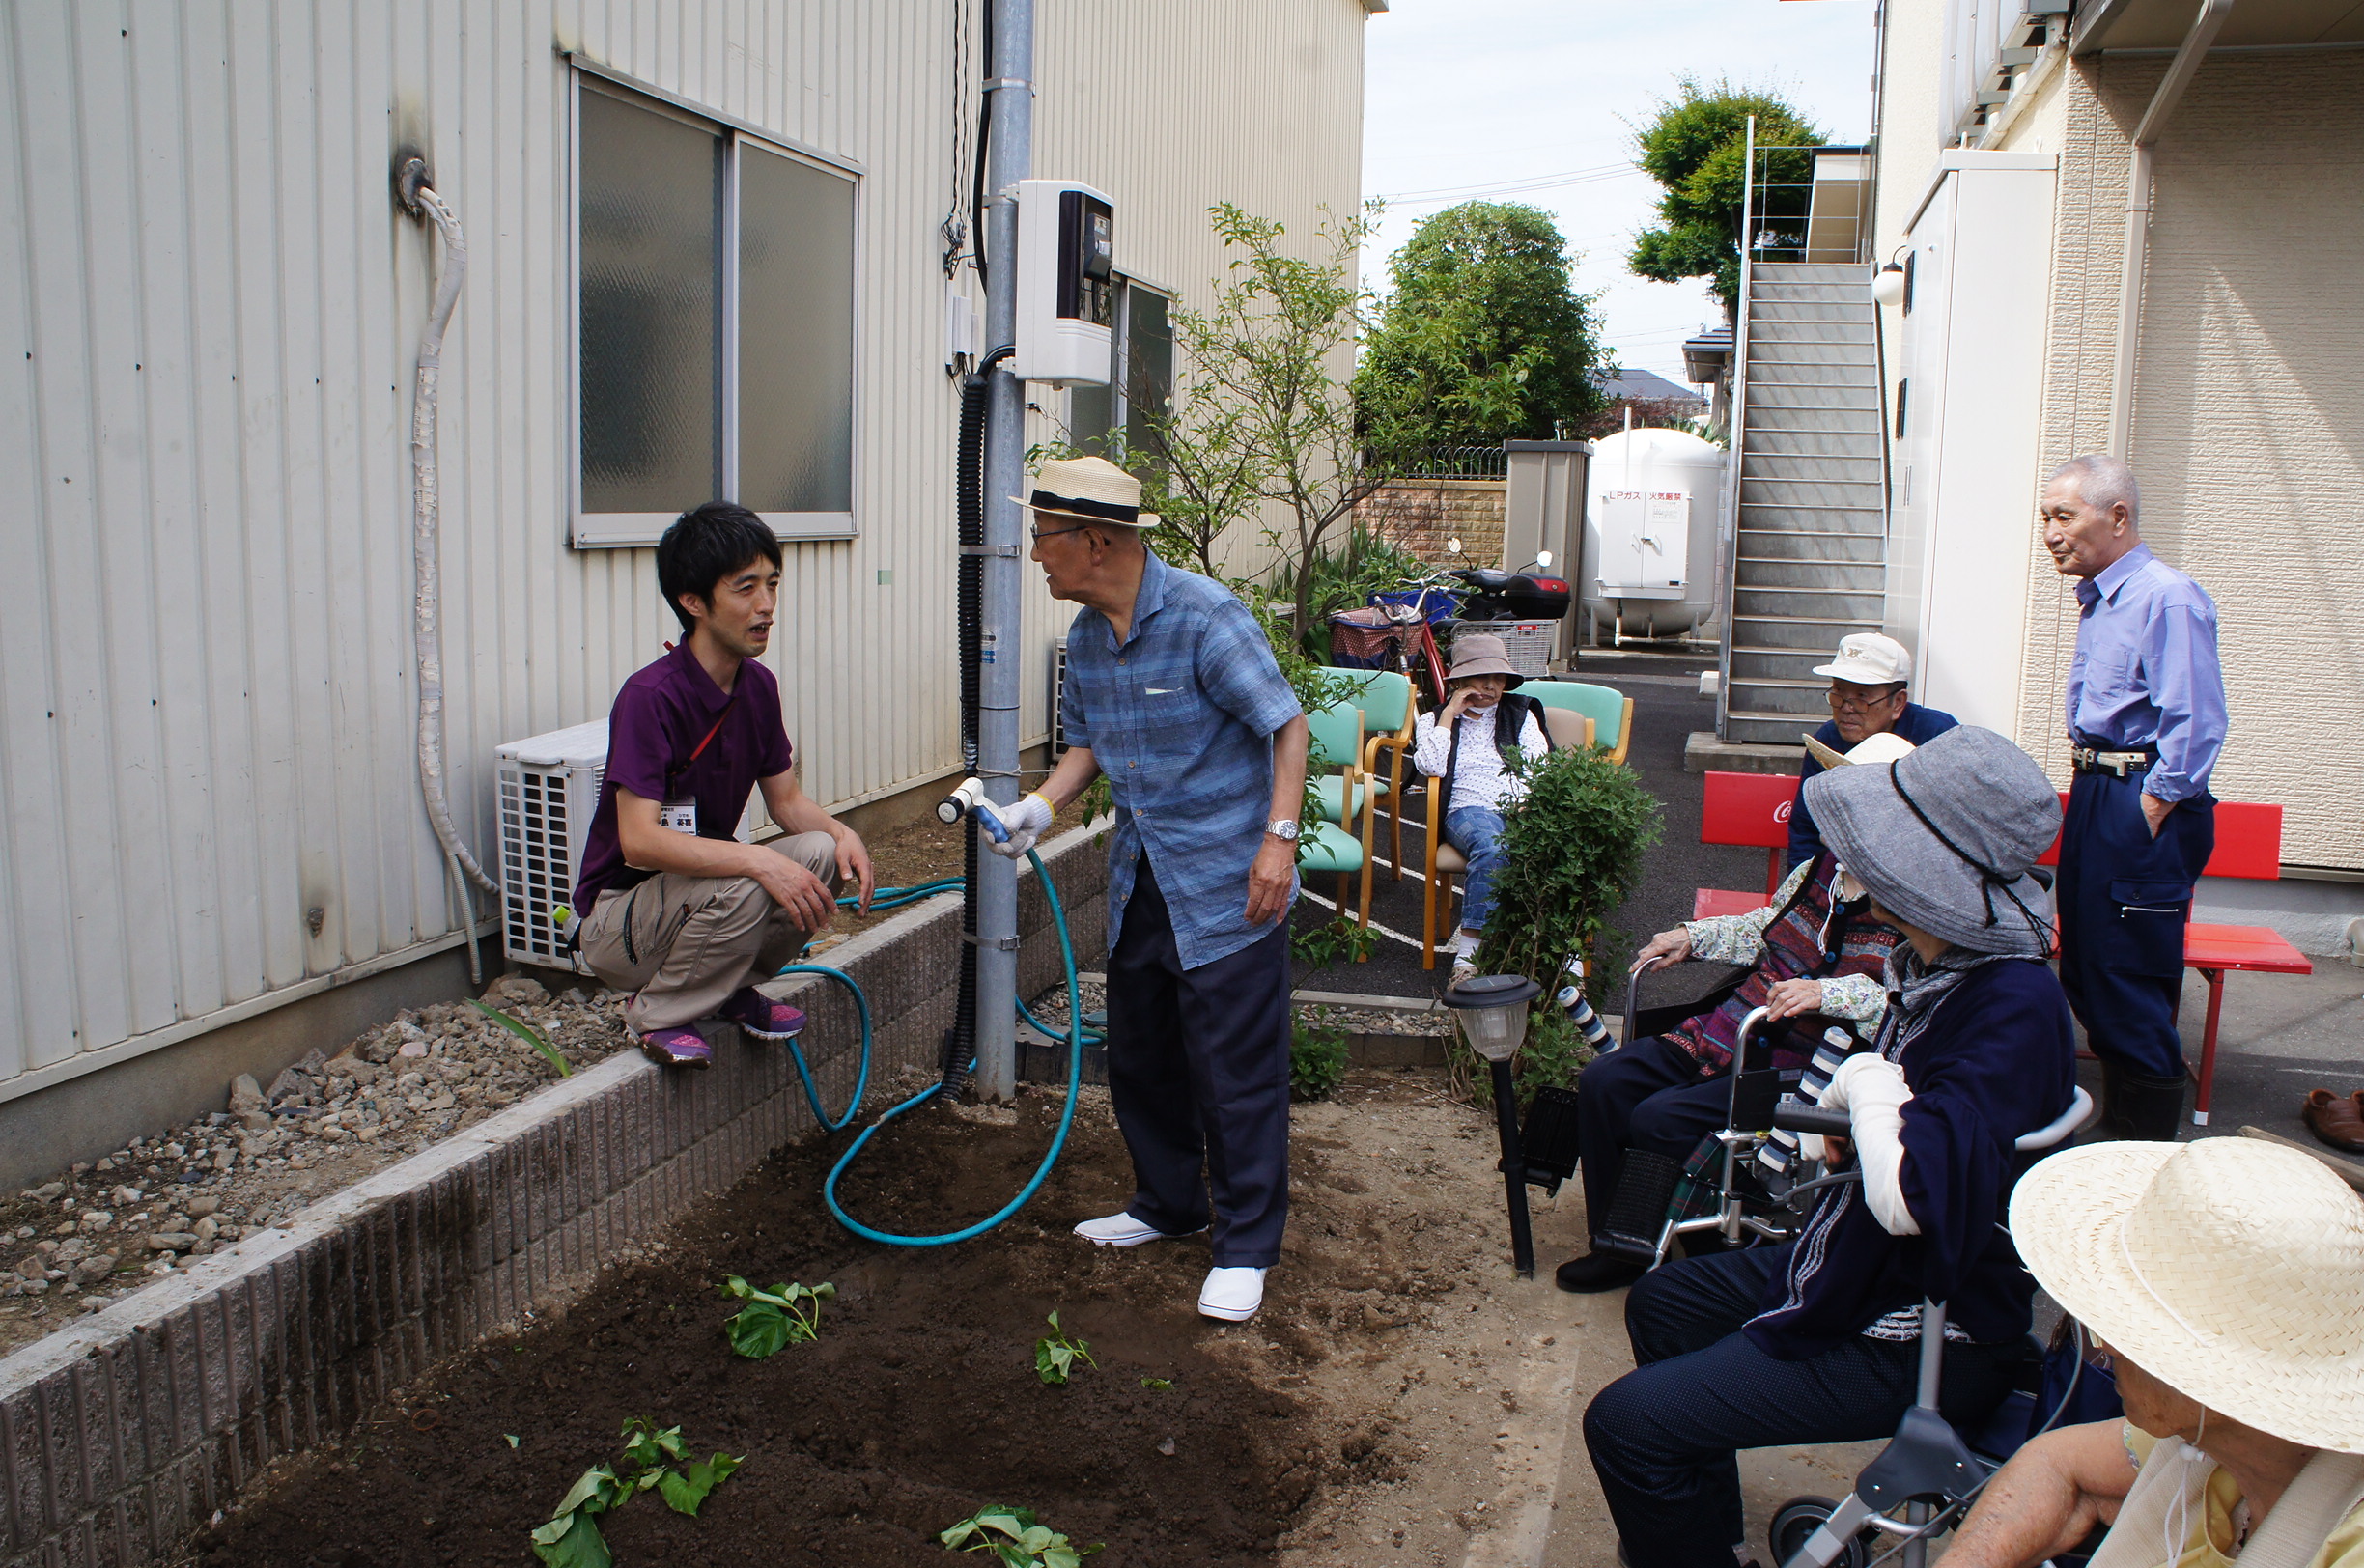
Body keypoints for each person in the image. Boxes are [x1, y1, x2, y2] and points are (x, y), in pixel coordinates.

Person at [1582, 726, 2077, 1568]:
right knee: (1662, 1303)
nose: (1857, 859)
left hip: (1917, 1326)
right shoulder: (1940, 969)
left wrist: (1867, 1092)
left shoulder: (2011, 1004)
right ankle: (1704, 1538)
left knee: (1624, 1425)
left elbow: (1916, 1192)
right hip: (1850, 1259)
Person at [986, 457, 1310, 1325]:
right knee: (1143, 1057)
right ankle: (1169, 1206)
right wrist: (1039, 807)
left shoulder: (1205, 618)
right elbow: (1085, 744)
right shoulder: (1090, 639)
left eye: (1045, 538)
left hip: (1232, 886)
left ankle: (1246, 1248)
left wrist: (1278, 842)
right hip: (1142, 883)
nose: (1038, 556)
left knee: (1234, 1074)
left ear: (1095, 540)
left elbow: (1286, 724)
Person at [1551, 731, 1913, 1295]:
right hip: (1730, 1031)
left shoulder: (1913, 898)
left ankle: (1693, 1250)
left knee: (1658, 1119)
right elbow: (1762, 929)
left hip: (1806, 1065)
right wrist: (1691, 938)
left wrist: (1826, 994)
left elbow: (1903, 1000)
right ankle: (1616, 1242)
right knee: (1605, 1080)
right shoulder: (1822, 868)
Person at [1942, 1135, 2363, 1568]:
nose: (2104, 1346)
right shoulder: (2217, 1441)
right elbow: (2054, 1461)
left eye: (2139, 1331)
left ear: (2216, 1382)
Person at [574, 502, 875, 1069]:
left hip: (697, 899)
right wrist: (758, 863)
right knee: (754, 877)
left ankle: (725, 989)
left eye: (772, 585)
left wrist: (840, 832)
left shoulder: (758, 687)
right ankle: (656, 1012)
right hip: (620, 919)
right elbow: (638, 841)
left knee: (817, 855)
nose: (765, 606)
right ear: (694, 601)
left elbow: (785, 802)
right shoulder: (650, 697)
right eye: (745, 589)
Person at [2040, 454, 2228, 1139]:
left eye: (2065, 516)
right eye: (2046, 519)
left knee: (2126, 979)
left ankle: (2139, 1156)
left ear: (2117, 517)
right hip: (2097, 791)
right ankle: (2117, 1144)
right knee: (2088, 970)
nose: (2051, 533)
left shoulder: (2166, 596)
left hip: (2138, 798)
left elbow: (2197, 720)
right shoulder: (2102, 599)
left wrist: (2155, 803)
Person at [1411, 632, 1548, 983]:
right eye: (1481, 676)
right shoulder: (1434, 719)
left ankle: (1553, 953)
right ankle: (1469, 956)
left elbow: (1540, 765)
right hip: (1467, 809)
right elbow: (1429, 767)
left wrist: (1526, 800)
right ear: (1459, 680)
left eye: (1498, 678)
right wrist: (1449, 716)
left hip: (1521, 806)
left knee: (1555, 850)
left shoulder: (1520, 714)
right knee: (1493, 846)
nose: (1490, 686)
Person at [1787, 632, 1958, 871]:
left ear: (1897, 702)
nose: (1847, 708)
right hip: (1845, 878)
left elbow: (1958, 827)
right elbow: (1807, 827)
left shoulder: (1937, 735)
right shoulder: (1827, 740)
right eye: (1838, 693)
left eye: (1862, 697)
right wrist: (1805, 892)